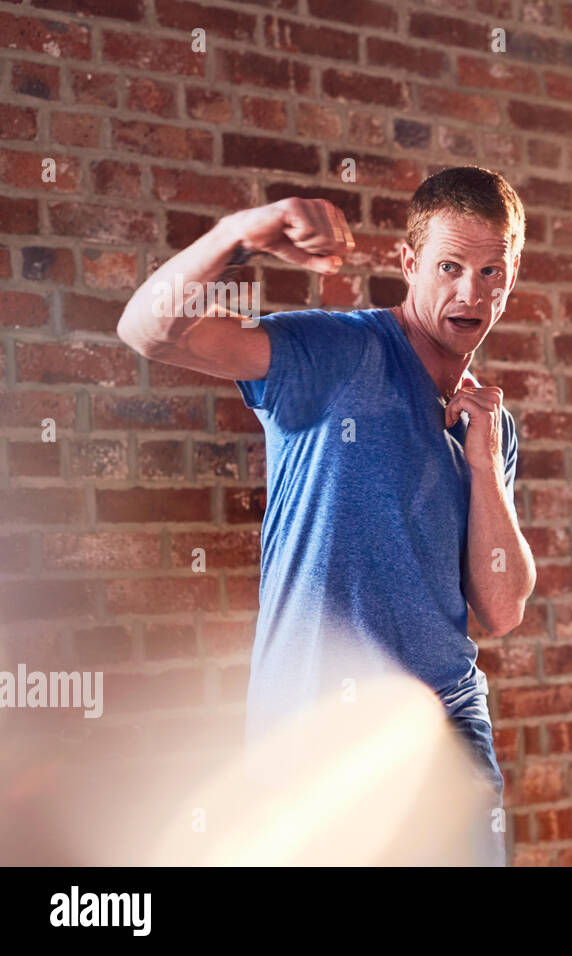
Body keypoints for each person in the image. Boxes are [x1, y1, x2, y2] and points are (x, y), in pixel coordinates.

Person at [116, 166, 536, 866]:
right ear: (409, 264)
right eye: (451, 267)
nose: (472, 293)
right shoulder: (336, 352)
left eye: (492, 271)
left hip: (445, 721)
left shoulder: (490, 425)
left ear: (512, 275)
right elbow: (148, 330)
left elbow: (500, 609)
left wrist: (485, 465)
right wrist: (242, 232)